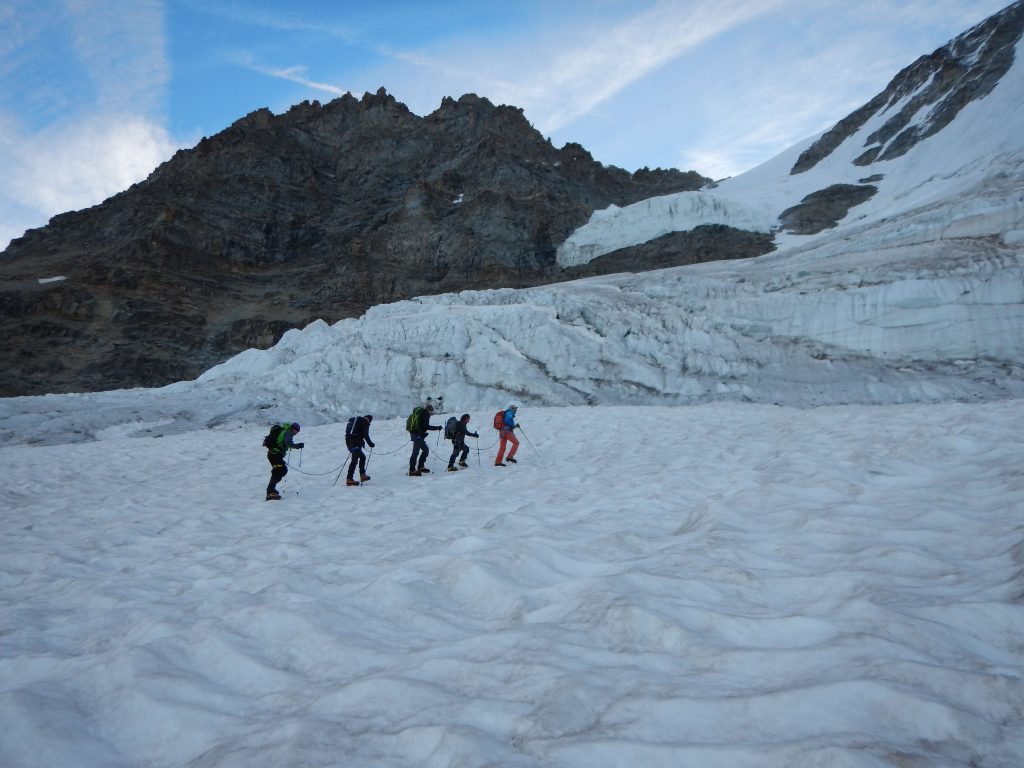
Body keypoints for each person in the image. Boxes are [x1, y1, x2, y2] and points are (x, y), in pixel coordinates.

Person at [266, 422, 304, 500]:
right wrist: (297, 446)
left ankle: (271, 489)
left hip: (274, 455)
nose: (296, 432)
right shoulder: (289, 432)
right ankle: (270, 492)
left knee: (281, 470)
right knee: (280, 470)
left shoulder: (285, 431)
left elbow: (285, 442)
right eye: (296, 430)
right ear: (293, 428)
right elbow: (288, 442)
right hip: (275, 455)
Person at [407, 403, 441, 476]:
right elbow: (426, 426)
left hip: (417, 435)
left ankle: (420, 467)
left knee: (425, 450)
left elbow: (422, 426)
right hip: (417, 436)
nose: (431, 413)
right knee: (415, 453)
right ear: (430, 410)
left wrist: (423, 433)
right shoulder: (425, 414)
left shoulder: (422, 414)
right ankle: (412, 470)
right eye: (431, 411)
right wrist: (437, 427)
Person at [344, 414, 375, 486]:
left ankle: (362, 475)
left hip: (349, 442)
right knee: (354, 460)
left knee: (362, 457)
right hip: (356, 443)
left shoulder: (355, 421)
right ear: (369, 420)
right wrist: (370, 444)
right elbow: (365, 434)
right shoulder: (365, 422)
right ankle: (349, 479)